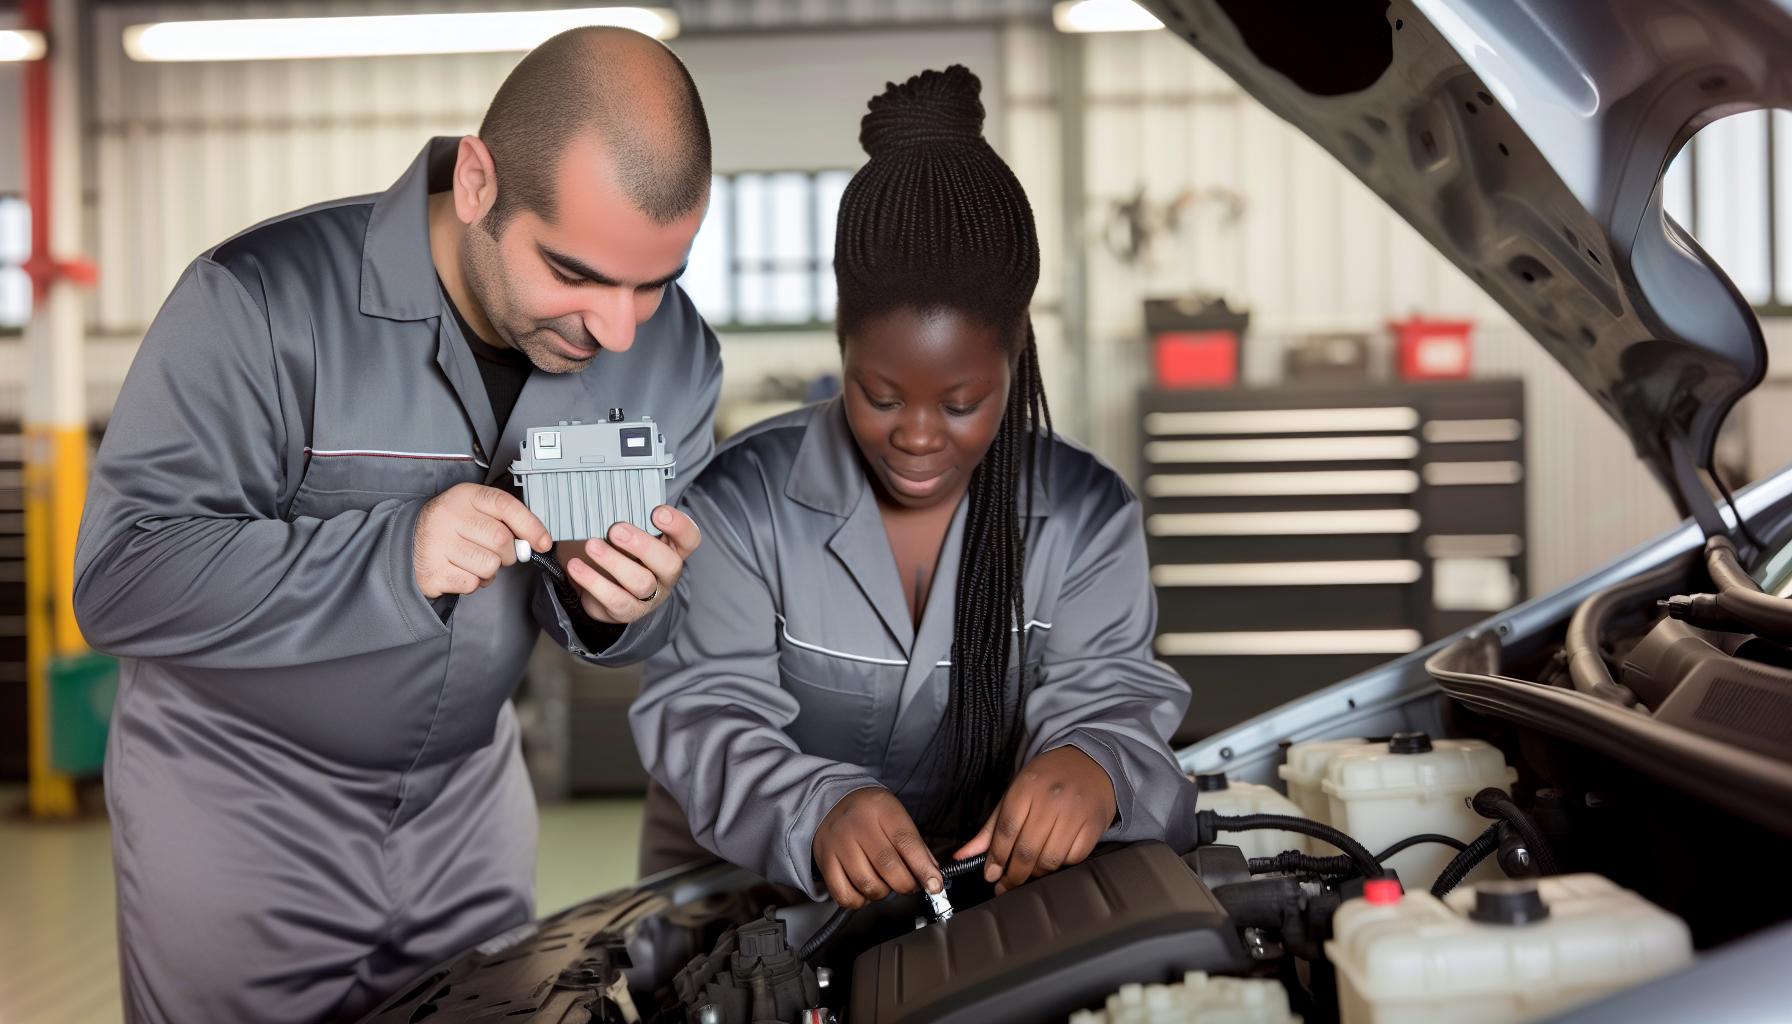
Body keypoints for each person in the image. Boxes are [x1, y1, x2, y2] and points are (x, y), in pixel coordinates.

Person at [73, 27, 720, 1023]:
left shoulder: (671, 353)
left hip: (466, 812)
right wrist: (393, 554)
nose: (619, 329)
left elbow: (654, 614)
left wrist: (621, 606)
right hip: (241, 810)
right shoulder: (257, 306)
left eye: (655, 279)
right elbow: (122, 576)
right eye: (577, 272)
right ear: (476, 183)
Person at [630, 65, 1197, 909]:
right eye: (880, 395)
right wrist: (816, 807)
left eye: (964, 402)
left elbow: (1112, 693)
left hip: (976, 905)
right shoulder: (742, 502)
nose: (919, 436)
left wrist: (1097, 764)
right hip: (744, 906)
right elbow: (705, 711)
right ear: (842, 346)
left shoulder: (1085, 515)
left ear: (1016, 359)